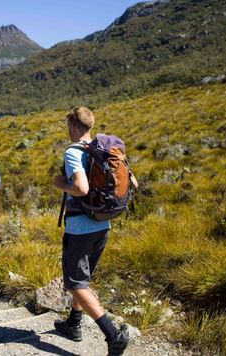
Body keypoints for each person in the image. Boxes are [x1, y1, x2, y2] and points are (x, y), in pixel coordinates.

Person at [53, 106, 137, 356]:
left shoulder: (73, 152)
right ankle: (74, 323)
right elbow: (133, 182)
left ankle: (113, 336)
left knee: (75, 283)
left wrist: (61, 184)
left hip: (80, 227)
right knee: (84, 279)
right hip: (103, 223)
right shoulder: (105, 150)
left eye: (68, 125)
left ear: (73, 126)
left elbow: (81, 188)